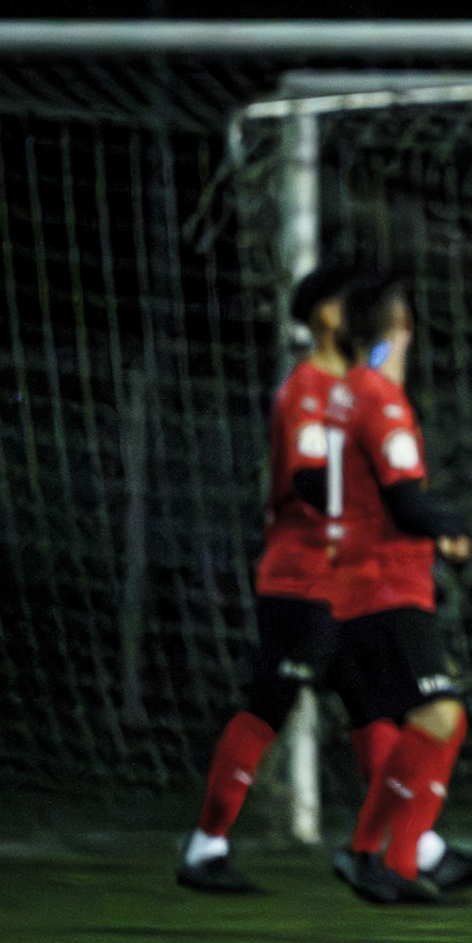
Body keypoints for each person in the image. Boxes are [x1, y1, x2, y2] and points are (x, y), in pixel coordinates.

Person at [177, 265, 354, 893]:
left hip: (352, 576)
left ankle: (410, 846)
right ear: (324, 315)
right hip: (303, 576)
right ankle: (206, 846)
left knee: (391, 700)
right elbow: (309, 478)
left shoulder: (361, 389)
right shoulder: (306, 388)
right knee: (272, 703)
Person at [321, 275, 472, 904]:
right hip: (386, 585)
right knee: (442, 715)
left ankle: (386, 856)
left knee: (403, 724)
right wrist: (451, 528)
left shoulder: (342, 395)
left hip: (350, 584)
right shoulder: (382, 400)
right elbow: (403, 501)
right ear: (403, 329)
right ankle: (382, 853)